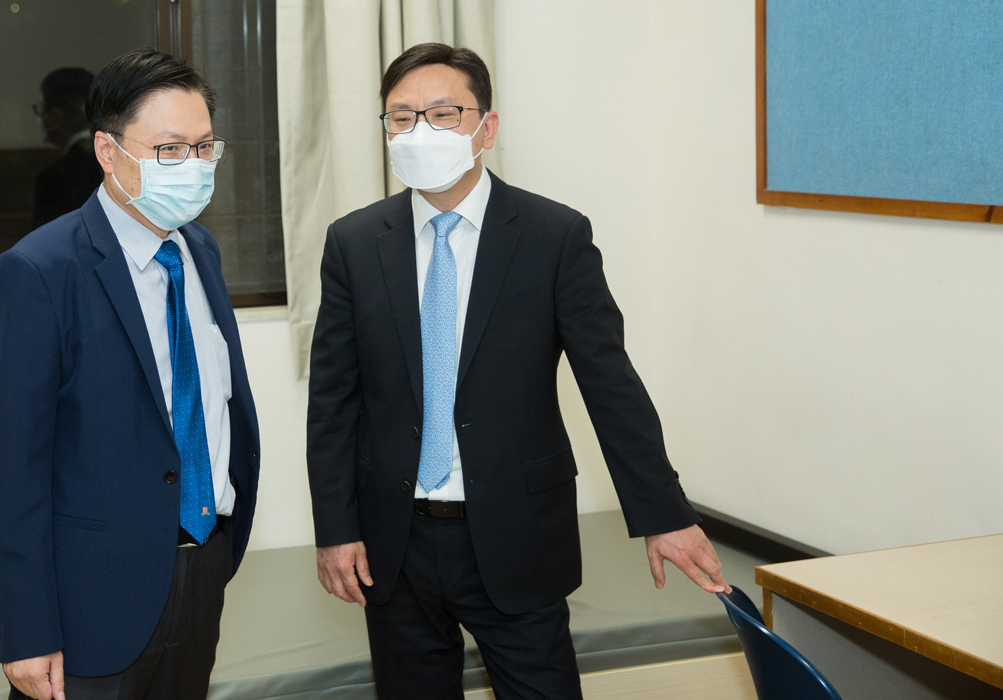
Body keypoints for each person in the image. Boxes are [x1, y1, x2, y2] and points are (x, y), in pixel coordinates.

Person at [305, 43, 730, 700]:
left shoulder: (552, 236)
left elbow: (609, 383)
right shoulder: (354, 243)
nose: (421, 131)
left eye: (444, 113)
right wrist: (335, 529)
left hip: (516, 530)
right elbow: (334, 398)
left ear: (487, 127)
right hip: (396, 538)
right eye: (401, 117)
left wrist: (662, 513)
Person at [0, 49, 260, 700]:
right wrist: (25, 628)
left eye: (204, 148)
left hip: (201, 571)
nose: (191, 167)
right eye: (168, 150)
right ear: (108, 152)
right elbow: (12, 467)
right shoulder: (40, 273)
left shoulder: (200, 250)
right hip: (94, 598)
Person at [32, 67, 106, 229]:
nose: (39, 118)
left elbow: (44, 246)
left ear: (55, 116)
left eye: (41, 110)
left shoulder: (54, 178)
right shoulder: (117, 162)